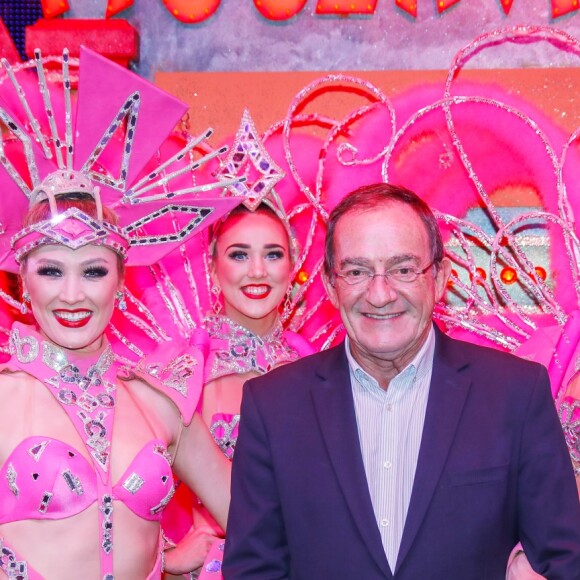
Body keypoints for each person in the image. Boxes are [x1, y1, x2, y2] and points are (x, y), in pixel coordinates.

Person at [222, 183, 580, 579]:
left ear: (440, 277)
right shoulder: (273, 406)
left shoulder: (515, 394)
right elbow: (253, 571)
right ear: (330, 285)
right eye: (357, 271)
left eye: (403, 269)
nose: (380, 294)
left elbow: (563, 559)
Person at [0, 185, 230, 579]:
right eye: (51, 270)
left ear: (120, 281)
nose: (72, 295)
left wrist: (180, 562)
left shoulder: (160, 402)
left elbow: (257, 517)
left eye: (93, 271)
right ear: (23, 279)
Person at [162, 202, 314, 578]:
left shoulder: (318, 372)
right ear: (213, 269)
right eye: (239, 254)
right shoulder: (180, 372)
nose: (257, 271)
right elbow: (126, 488)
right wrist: (165, 557)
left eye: (273, 254)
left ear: (291, 267)